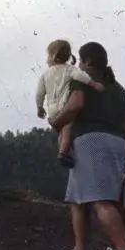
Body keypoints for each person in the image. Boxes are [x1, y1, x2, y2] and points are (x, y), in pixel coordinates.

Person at [49, 42, 125, 250]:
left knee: (100, 199)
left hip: (91, 139)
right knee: (77, 196)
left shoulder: (82, 78)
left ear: (86, 60)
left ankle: (123, 249)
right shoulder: (119, 90)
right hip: (115, 141)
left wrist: (56, 121)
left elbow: (75, 105)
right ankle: (80, 248)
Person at [36, 39, 104, 167]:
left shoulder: (45, 75)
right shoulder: (70, 70)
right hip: (64, 106)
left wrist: (39, 107)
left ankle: (63, 150)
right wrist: (94, 84)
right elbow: (82, 77)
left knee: (62, 131)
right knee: (68, 126)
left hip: (52, 110)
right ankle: (63, 152)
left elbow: (39, 93)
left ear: (52, 56)